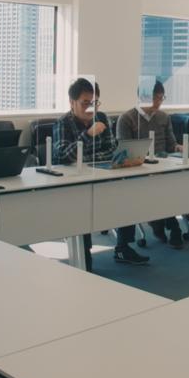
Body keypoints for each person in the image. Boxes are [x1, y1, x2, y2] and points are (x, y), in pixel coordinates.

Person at [54, 78, 149, 269]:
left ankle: (123, 247)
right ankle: (83, 254)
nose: (91, 108)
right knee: (82, 208)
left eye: (95, 103)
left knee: (127, 194)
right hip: (75, 183)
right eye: (85, 103)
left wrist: (86, 156)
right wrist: (88, 135)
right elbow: (64, 156)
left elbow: (112, 150)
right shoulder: (63, 123)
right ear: (72, 102)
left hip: (103, 175)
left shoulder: (102, 118)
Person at [117, 80, 186, 249]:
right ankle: (171, 225)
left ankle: (160, 222)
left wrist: (179, 147)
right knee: (160, 186)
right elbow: (124, 153)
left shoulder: (164, 117)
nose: (159, 102)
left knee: (178, 182)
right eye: (155, 98)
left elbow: (171, 145)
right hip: (139, 170)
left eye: (161, 98)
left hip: (163, 166)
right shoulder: (126, 119)